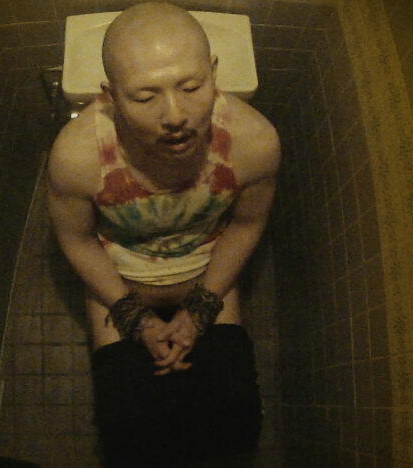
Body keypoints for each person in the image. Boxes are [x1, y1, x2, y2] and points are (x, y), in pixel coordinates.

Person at [46, 2, 280, 465]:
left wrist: (200, 309)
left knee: (237, 422)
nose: (175, 115)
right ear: (110, 96)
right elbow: (77, 240)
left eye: (191, 87)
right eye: (144, 97)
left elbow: (247, 223)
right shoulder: (77, 156)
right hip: (118, 273)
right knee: (126, 432)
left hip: (207, 265)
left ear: (214, 73)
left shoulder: (254, 142)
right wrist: (136, 317)